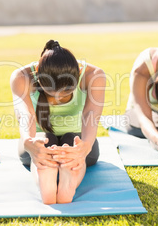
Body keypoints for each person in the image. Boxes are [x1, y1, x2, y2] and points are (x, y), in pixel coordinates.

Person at [10, 40, 106, 204]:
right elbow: (25, 115)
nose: (58, 99)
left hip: (80, 138)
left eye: (67, 92)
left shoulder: (93, 75)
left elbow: (91, 116)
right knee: (45, 144)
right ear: (38, 73)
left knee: (71, 144)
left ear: (79, 72)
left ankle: (69, 182)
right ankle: (45, 181)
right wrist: (29, 142)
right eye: (51, 92)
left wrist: (85, 147)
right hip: (38, 137)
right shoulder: (21, 76)